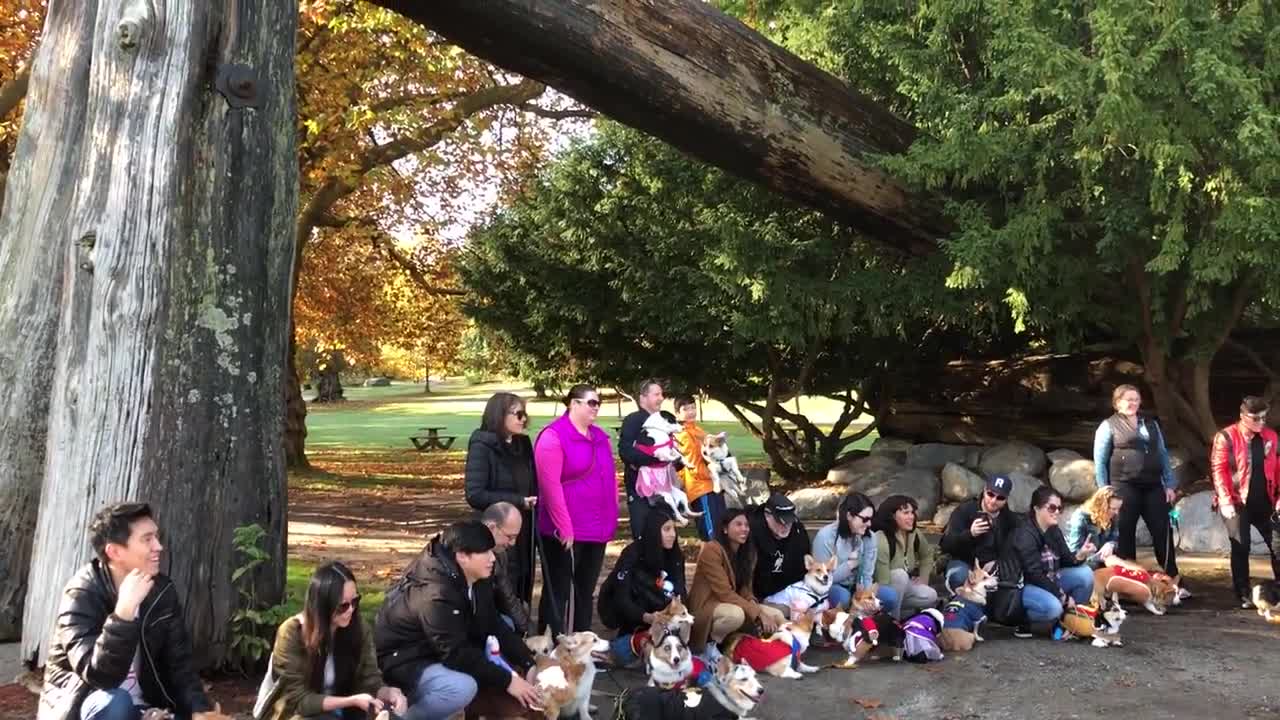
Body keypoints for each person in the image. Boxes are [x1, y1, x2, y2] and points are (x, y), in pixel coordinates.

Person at [38, 502, 214, 720]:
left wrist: (199, 710)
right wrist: (124, 613)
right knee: (116, 703)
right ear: (115, 551)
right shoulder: (81, 594)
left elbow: (180, 665)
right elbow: (99, 676)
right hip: (88, 708)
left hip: (146, 710)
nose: (158, 546)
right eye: (147, 539)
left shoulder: (162, 591)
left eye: (156, 537)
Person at [374, 521, 541, 720]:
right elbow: (455, 654)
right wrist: (509, 681)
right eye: (485, 553)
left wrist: (529, 663)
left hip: (439, 650)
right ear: (462, 556)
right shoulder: (435, 593)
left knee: (506, 626)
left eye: (491, 551)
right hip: (406, 659)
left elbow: (494, 623)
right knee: (461, 688)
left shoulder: (477, 575)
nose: (492, 558)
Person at [258, 562, 407, 720]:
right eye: (343, 605)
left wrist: (388, 693)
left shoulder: (358, 629)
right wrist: (350, 701)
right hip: (299, 715)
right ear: (323, 606)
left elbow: (370, 679)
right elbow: (297, 701)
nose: (351, 610)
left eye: (355, 602)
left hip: (347, 711)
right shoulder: (291, 633)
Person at [535, 383, 619, 635]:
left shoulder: (600, 436)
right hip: (566, 530)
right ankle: (551, 648)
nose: (596, 407)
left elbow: (610, 478)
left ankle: (583, 646)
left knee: (585, 590)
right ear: (574, 403)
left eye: (598, 403)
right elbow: (550, 486)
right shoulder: (553, 436)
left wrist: (611, 516)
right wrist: (565, 526)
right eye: (591, 402)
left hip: (597, 528)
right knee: (559, 591)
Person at [1093, 384, 1183, 587]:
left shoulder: (1150, 423)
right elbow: (1099, 461)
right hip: (1123, 486)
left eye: (1136, 399)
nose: (1132, 403)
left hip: (1152, 485)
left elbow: (1162, 453)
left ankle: (1173, 578)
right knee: (1125, 533)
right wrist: (1104, 490)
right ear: (1117, 403)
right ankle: (1128, 581)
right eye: (1127, 399)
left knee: (1162, 530)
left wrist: (1169, 484)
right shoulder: (1108, 425)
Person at [464, 392, 538, 610]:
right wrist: (517, 501)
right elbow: (475, 494)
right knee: (500, 585)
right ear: (500, 415)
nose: (524, 419)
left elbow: (532, 481)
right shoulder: (482, 445)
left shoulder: (523, 444)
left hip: (524, 529)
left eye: (525, 414)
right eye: (519, 414)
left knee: (522, 581)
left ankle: (519, 629)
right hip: (496, 533)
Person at [1210, 395, 1280, 607]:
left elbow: (1277, 467)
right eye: (1255, 418)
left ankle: (1277, 590)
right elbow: (1219, 469)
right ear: (1243, 417)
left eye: (1263, 418)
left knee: (1277, 545)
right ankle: (1242, 591)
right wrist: (1225, 500)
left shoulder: (1270, 436)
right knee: (1241, 545)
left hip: (1265, 499)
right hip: (1236, 500)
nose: (1260, 422)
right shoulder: (1226, 436)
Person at [688, 509, 786, 660]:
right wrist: (758, 613)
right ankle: (709, 647)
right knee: (735, 616)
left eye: (746, 525)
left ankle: (777, 651)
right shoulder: (712, 549)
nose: (744, 529)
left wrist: (754, 604)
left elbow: (746, 589)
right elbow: (724, 593)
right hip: (708, 605)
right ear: (725, 529)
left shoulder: (748, 552)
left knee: (777, 615)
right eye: (738, 524)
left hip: (733, 602)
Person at [597, 506, 687, 665]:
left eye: (674, 529)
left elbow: (680, 590)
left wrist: (673, 613)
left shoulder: (675, 555)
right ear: (654, 531)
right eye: (666, 529)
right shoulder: (633, 554)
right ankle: (625, 644)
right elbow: (620, 597)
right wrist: (647, 617)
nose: (672, 534)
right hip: (627, 610)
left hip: (661, 611)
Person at [1006, 487, 1095, 637]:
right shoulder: (1025, 533)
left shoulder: (1053, 529)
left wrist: (1081, 554)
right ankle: (1024, 623)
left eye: (1060, 508)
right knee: (1053, 608)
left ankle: (1070, 622)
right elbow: (1034, 575)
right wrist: (1063, 597)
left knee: (1085, 574)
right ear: (1036, 508)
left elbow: (1067, 559)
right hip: (1023, 587)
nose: (1057, 512)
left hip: (1049, 580)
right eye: (1052, 507)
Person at [811, 493, 899, 612]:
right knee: (843, 597)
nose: (869, 524)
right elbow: (822, 579)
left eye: (871, 519)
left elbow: (867, 574)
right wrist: (851, 564)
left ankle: (872, 623)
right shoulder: (825, 537)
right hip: (831, 586)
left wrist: (867, 597)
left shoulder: (870, 537)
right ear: (849, 516)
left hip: (858, 587)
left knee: (890, 597)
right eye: (865, 519)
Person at [618, 379, 677, 539]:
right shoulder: (634, 420)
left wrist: (675, 461)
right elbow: (626, 452)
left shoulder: (664, 421)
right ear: (642, 398)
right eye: (656, 394)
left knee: (665, 536)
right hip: (640, 492)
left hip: (664, 490)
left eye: (662, 394)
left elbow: (672, 451)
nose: (661, 398)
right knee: (644, 537)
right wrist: (656, 459)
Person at [940, 475, 1018, 591]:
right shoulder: (964, 511)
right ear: (984, 490)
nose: (993, 501)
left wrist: (998, 562)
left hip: (992, 565)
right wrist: (970, 534)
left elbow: (1015, 549)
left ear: (1006, 499)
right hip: (964, 562)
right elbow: (945, 545)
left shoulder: (1009, 519)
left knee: (1008, 580)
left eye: (1000, 498)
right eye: (990, 494)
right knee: (960, 577)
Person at [871, 495, 939, 619]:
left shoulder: (914, 533)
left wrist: (923, 578)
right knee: (899, 575)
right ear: (892, 515)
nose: (911, 516)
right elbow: (883, 583)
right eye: (905, 513)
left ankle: (902, 612)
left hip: (903, 586)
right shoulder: (881, 539)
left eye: (912, 512)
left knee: (930, 595)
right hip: (879, 589)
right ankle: (893, 620)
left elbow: (927, 555)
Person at [748, 492, 811, 613]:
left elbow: (803, 565)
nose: (786, 526)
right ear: (767, 515)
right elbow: (745, 576)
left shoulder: (797, 531)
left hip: (791, 589)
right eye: (780, 522)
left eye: (789, 522)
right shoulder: (752, 533)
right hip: (760, 595)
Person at [672, 394, 724, 541]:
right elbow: (693, 467)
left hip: (712, 487)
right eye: (685, 409)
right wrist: (715, 475)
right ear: (678, 414)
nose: (691, 411)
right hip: (701, 490)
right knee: (711, 535)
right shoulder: (683, 436)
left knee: (721, 531)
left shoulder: (698, 431)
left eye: (693, 407)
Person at [481, 502, 531, 635]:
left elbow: (507, 597)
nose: (513, 543)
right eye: (510, 537)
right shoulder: (471, 553)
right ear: (492, 528)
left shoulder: (500, 554)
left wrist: (526, 632)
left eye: (516, 537)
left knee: (521, 609)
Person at [1063, 486, 1130, 570]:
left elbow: (1115, 538)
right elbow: (1074, 554)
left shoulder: (1112, 516)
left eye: (1118, 509)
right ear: (1102, 506)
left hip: (1102, 560)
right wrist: (1089, 554)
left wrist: (1110, 544)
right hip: (1083, 563)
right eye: (1113, 509)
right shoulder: (1080, 519)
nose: (1117, 512)